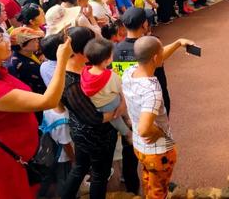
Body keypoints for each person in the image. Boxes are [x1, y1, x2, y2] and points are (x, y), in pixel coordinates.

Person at [0, 21, 72, 199]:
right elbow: (49, 100)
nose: (7, 41)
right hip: (5, 163)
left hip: (21, 154)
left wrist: (12, 38)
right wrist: (62, 60)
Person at [122, 36, 194, 198]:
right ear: (155, 58)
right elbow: (144, 129)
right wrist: (159, 133)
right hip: (158, 152)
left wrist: (177, 43)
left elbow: (154, 55)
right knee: (158, 192)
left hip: (140, 148)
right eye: (161, 51)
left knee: (149, 180)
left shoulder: (129, 72)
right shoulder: (152, 91)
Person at [60, 27, 117, 199]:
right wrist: (117, 110)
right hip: (95, 135)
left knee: (80, 168)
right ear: (81, 50)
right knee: (100, 174)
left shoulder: (80, 68)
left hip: (80, 131)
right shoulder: (71, 82)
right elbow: (94, 117)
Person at [80, 38, 131, 139]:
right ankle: (129, 135)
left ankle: (126, 132)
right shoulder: (110, 76)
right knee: (118, 117)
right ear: (106, 60)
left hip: (101, 107)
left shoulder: (85, 72)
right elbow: (120, 89)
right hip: (113, 103)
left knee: (116, 122)